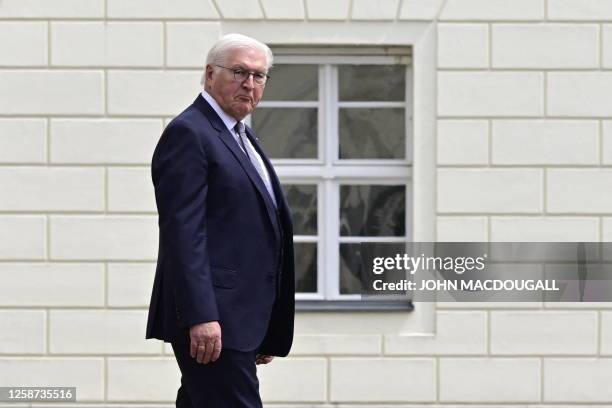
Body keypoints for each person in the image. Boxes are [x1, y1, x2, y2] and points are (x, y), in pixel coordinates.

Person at [145, 33, 295, 407]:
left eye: (259, 76)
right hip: (214, 323)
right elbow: (183, 234)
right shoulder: (190, 132)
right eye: (240, 72)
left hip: (241, 321)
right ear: (210, 74)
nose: (250, 84)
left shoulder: (242, 135)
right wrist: (202, 316)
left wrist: (265, 323)